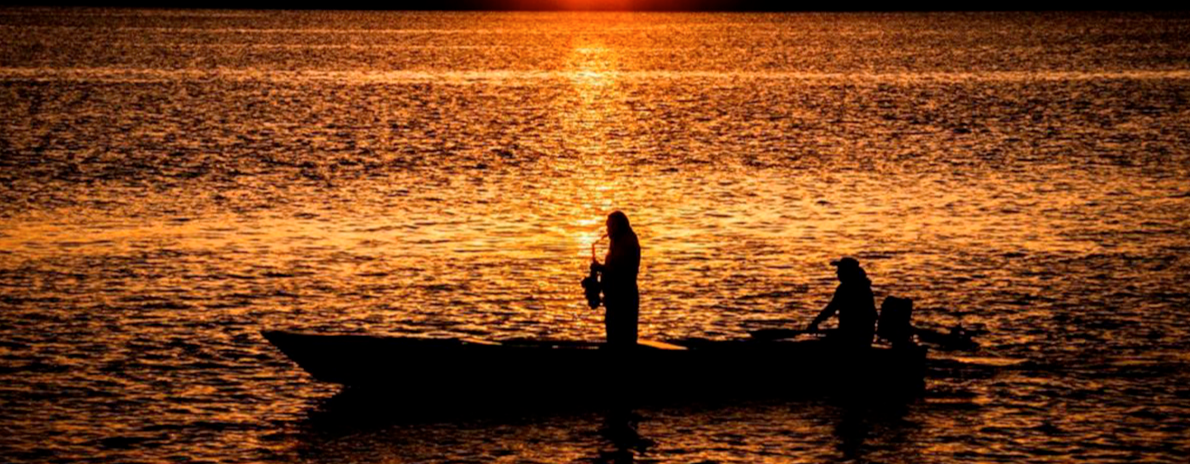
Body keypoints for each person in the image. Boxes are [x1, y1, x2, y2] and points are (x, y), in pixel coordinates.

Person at [591, 211, 641, 347]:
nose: (607, 230)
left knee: (623, 340)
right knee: (614, 337)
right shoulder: (617, 240)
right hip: (615, 298)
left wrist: (600, 269)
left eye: (609, 226)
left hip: (624, 299)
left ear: (618, 225)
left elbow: (621, 272)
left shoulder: (627, 243)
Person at [807, 257, 877, 350]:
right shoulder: (863, 286)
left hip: (852, 336)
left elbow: (831, 308)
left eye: (840, 270)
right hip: (863, 334)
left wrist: (815, 323)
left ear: (847, 272)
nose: (837, 273)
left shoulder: (847, 288)